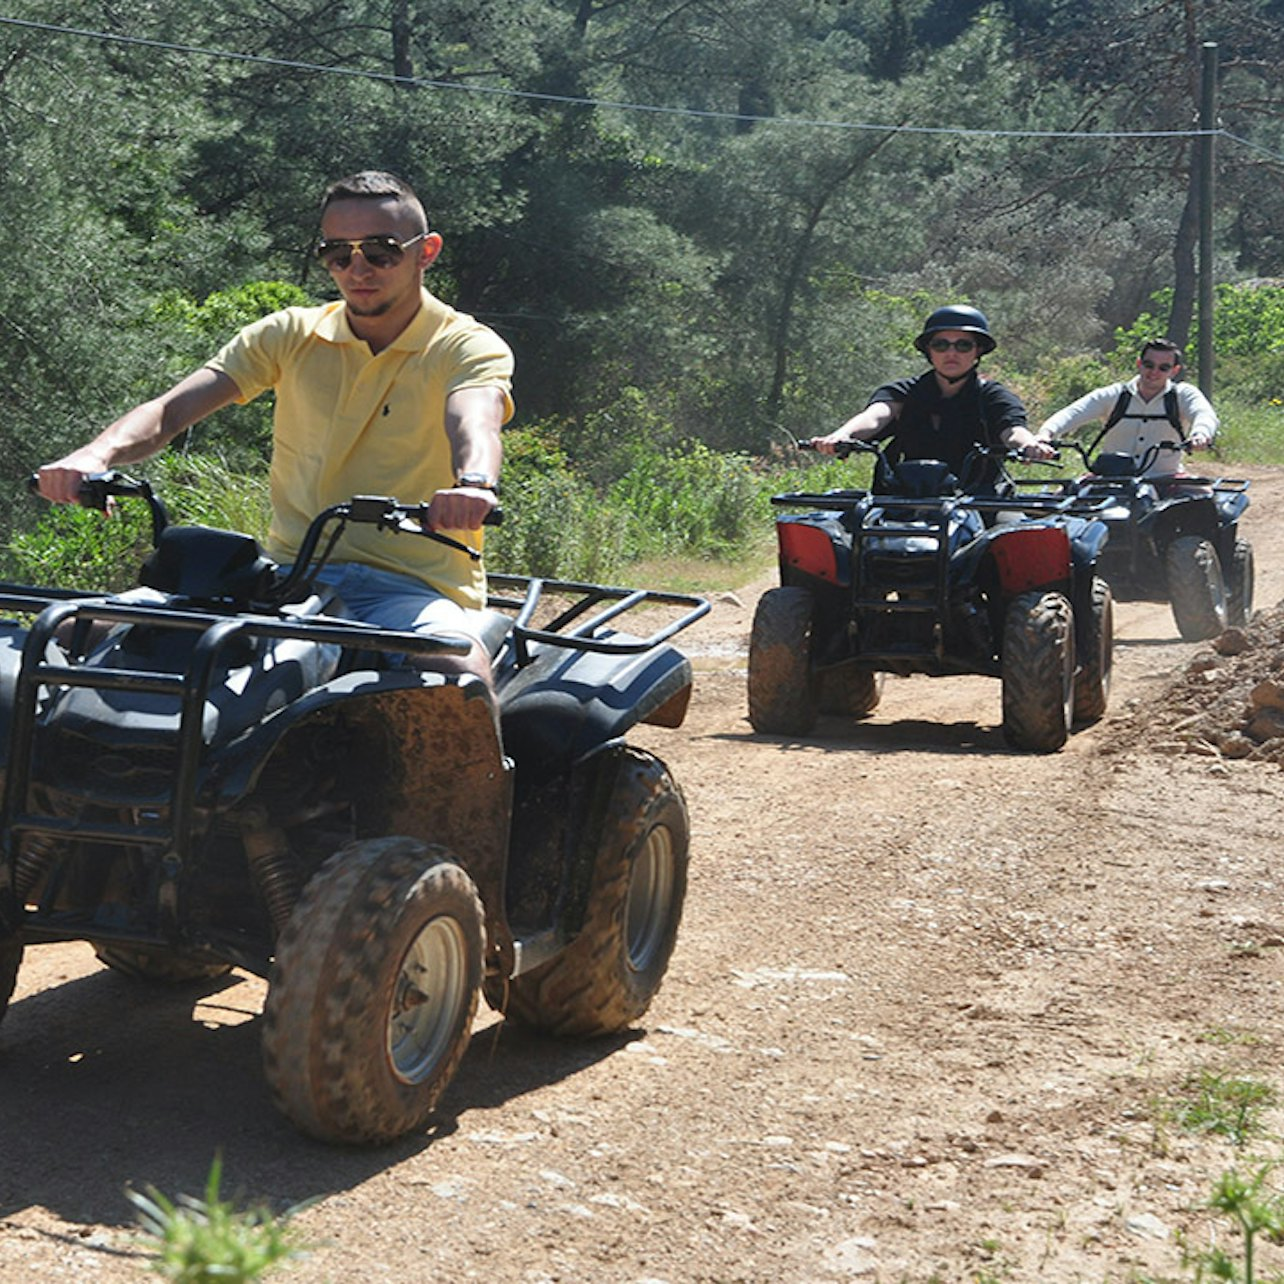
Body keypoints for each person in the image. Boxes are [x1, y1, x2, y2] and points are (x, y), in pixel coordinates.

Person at [36, 169, 513, 684]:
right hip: (288, 576)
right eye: (338, 253)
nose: (358, 269)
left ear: (426, 251)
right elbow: (169, 412)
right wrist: (94, 456)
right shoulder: (289, 334)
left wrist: (473, 485)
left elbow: (475, 420)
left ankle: (479, 770)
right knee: (74, 630)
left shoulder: (465, 345)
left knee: (456, 669)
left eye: (381, 251)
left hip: (411, 587)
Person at [806, 304, 1045, 489]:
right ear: (929, 351)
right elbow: (875, 416)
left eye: (963, 345)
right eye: (941, 345)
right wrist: (841, 435)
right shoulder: (904, 392)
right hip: (904, 497)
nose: (951, 353)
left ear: (977, 351)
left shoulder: (993, 397)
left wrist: (1028, 445)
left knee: (1019, 540)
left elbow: (1013, 430)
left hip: (979, 498)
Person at [1026, 338, 1218, 479]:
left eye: (1163, 368)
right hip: (1110, 479)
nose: (1154, 372)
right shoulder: (1115, 395)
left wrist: (1200, 434)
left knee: (1203, 507)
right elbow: (1072, 413)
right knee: (1061, 512)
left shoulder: (1182, 395)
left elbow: (1203, 414)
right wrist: (1045, 434)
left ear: (1174, 371)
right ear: (1138, 363)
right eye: (1149, 365)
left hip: (1165, 479)